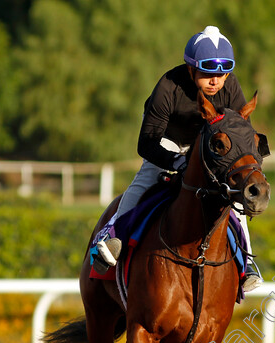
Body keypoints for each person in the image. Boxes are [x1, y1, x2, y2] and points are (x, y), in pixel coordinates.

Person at [96, 25, 262, 292]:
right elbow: (146, 143)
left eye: (221, 74)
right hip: (166, 138)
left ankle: (247, 263)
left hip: (208, 145)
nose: (215, 81)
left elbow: (242, 134)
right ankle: (111, 237)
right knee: (146, 179)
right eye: (207, 73)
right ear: (190, 69)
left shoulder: (231, 88)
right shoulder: (168, 85)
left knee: (233, 194)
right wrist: (176, 161)